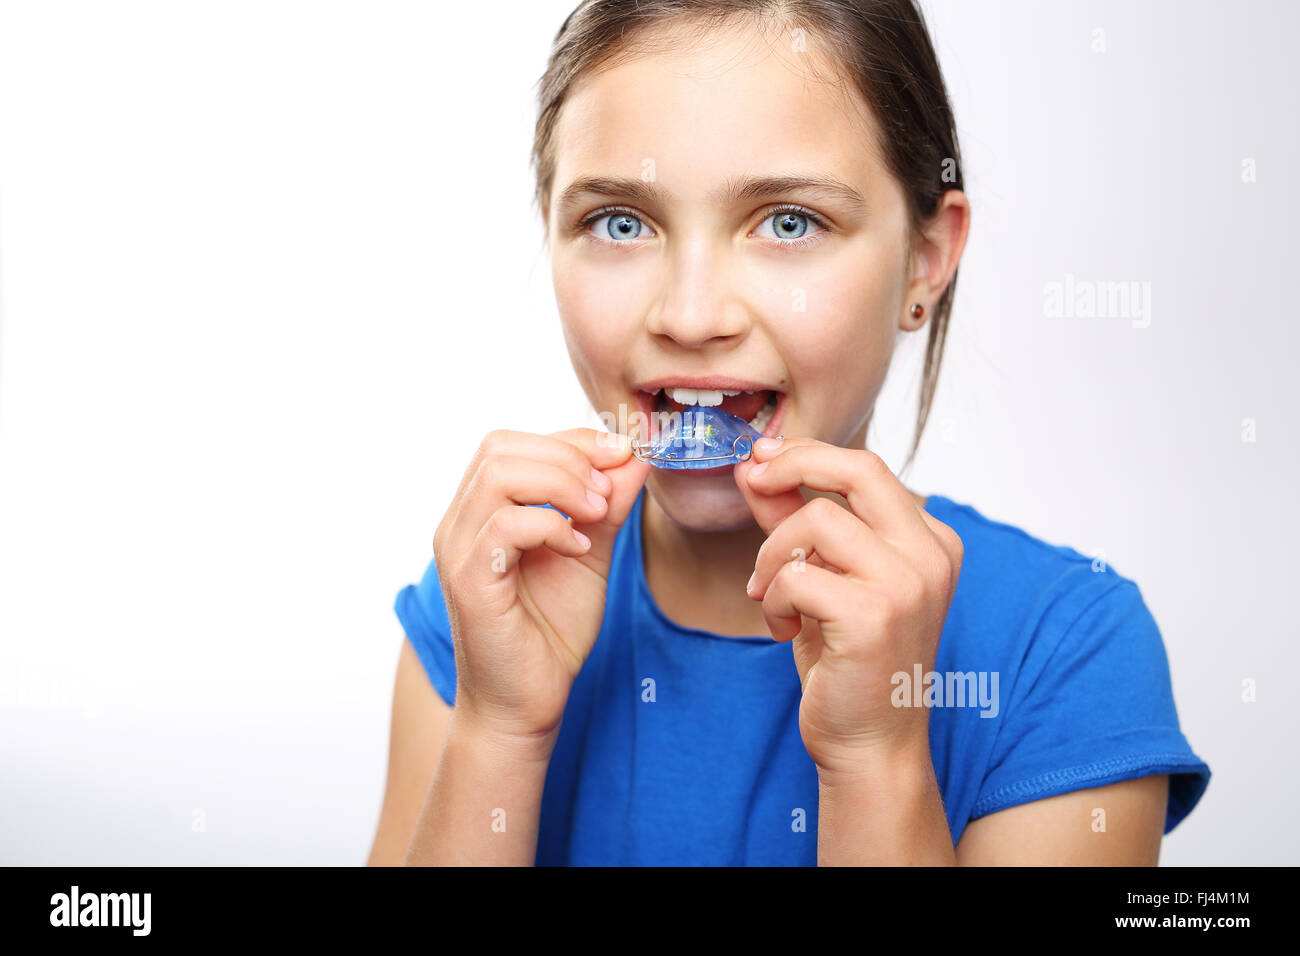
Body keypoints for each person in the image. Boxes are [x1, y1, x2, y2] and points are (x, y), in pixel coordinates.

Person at [368, 0, 1210, 866]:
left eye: (788, 222)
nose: (691, 315)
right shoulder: (486, 598)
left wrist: (874, 760)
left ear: (928, 258)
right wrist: (498, 731)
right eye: (620, 222)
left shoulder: (1063, 650)